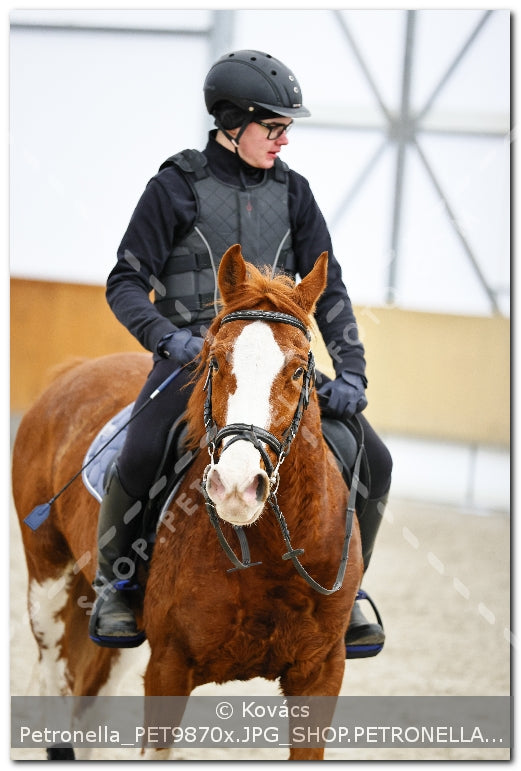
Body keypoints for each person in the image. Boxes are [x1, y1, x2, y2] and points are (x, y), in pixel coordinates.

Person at [90, 49, 392, 654]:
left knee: (374, 457)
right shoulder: (173, 188)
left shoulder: (296, 194)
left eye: (286, 128)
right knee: (144, 448)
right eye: (273, 126)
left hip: (277, 365)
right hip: (193, 361)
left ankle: (349, 590)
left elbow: (328, 292)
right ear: (232, 124)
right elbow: (125, 282)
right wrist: (169, 340)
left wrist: (352, 372)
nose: (283, 139)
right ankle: (117, 583)